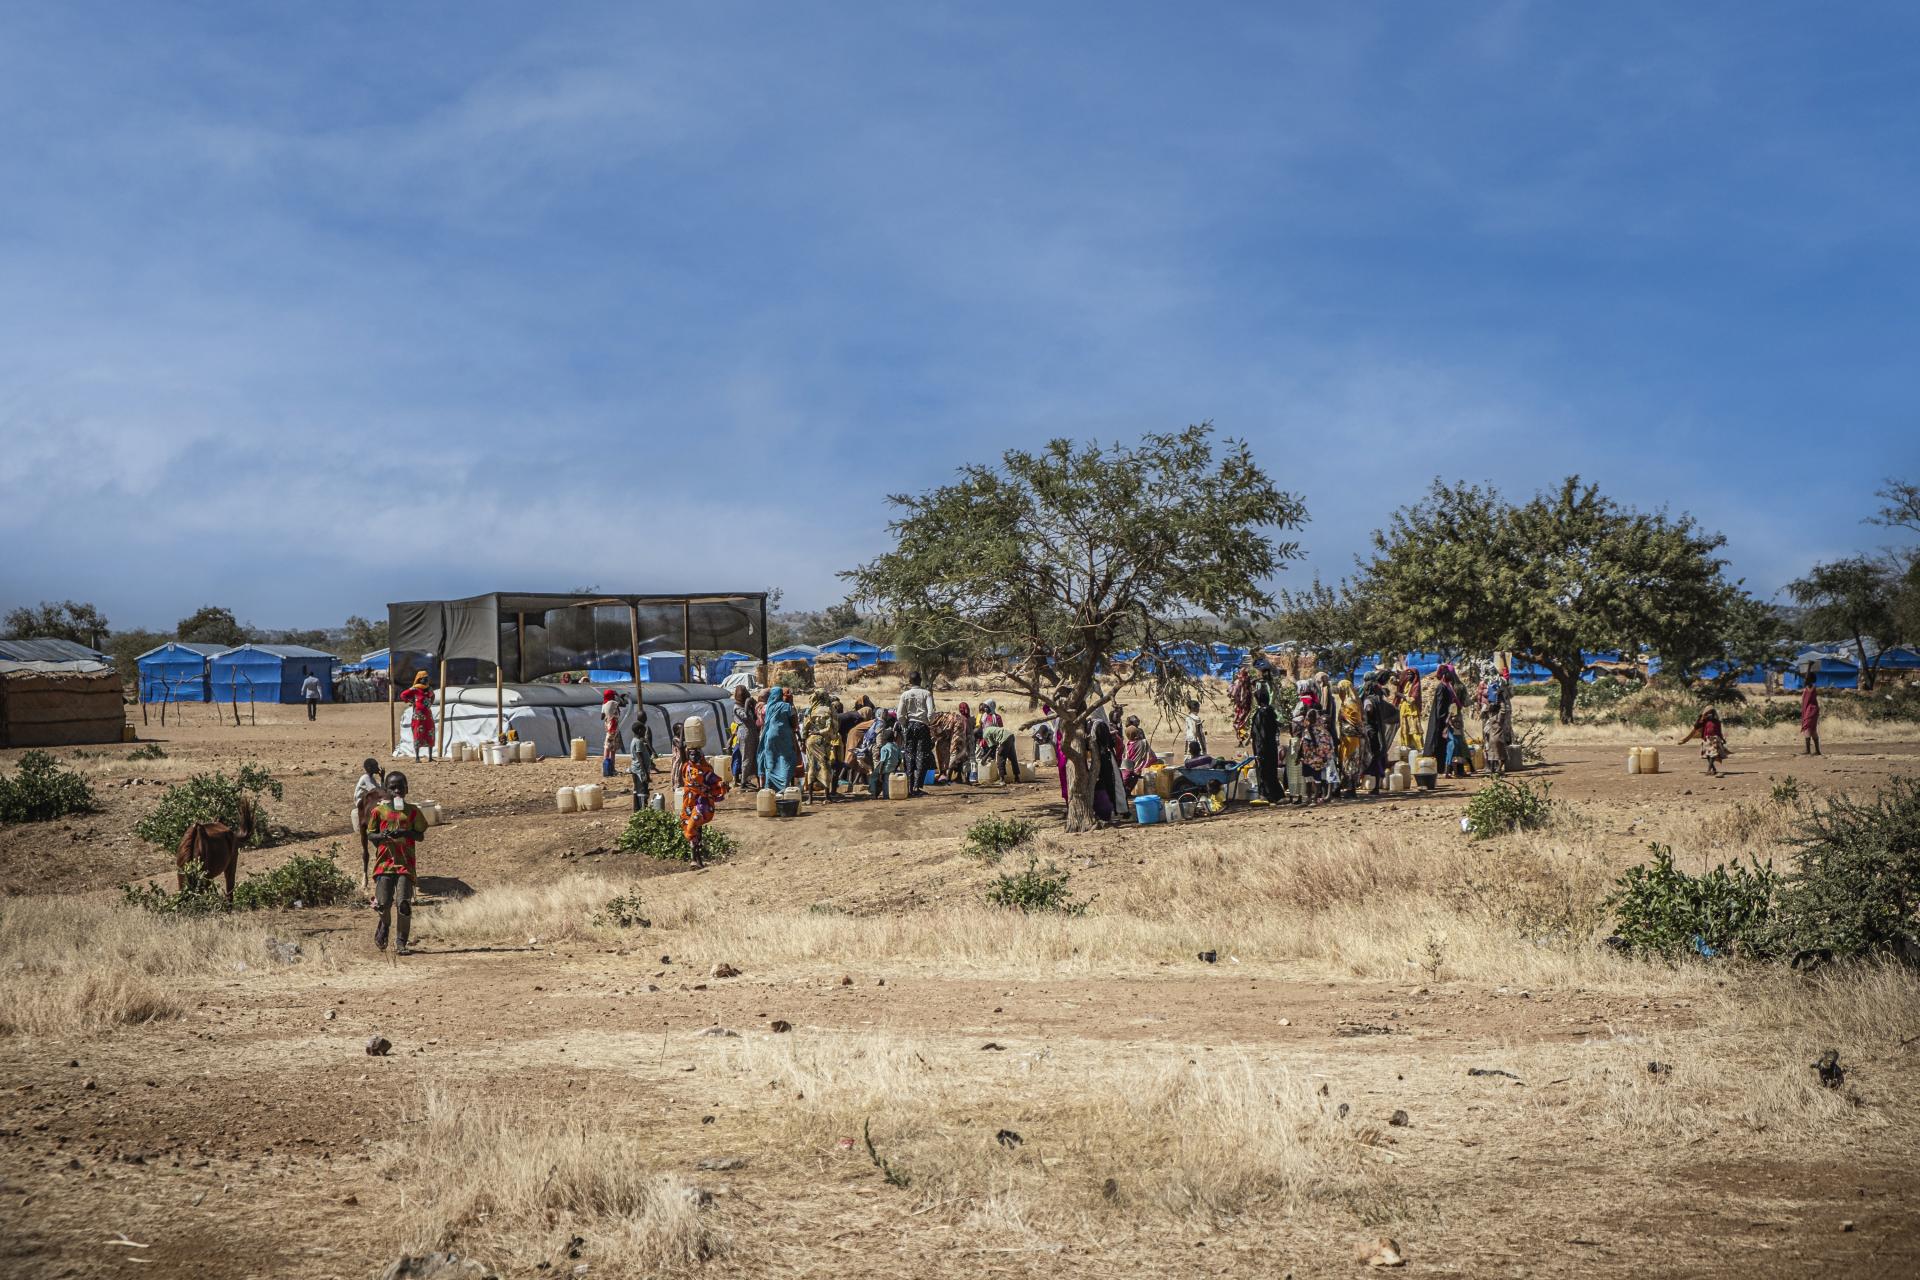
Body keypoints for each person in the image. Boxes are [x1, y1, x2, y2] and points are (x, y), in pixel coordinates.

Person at [363, 770, 427, 955]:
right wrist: (382, 836)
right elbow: (370, 835)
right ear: (386, 790)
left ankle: (401, 943)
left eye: (400, 787)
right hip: (384, 864)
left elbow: (420, 835)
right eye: (393, 788)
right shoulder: (378, 812)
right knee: (383, 903)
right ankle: (384, 923)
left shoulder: (413, 812)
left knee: (404, 904)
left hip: (405, 864)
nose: (397, 791)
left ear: (407, 789)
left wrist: (406, 833)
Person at [678, 747, 729, 865]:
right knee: (693, 828)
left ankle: (695, 860)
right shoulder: (686, 766)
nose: (694, 757)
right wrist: (681, 734)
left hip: (702, 802)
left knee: (695, 826)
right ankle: (696, 859)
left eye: (696, 755)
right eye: (691, 755)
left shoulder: (706, 769)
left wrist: (721, 784)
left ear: (701, 756)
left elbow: (715, 781)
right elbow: (681, 748)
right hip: (689, 802)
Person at [896, 671, 936, 796]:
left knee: (909, 755)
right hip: (922, 726)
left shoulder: (905, 695)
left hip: (909, 725)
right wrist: (928, 722)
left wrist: (904, 725)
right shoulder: (926, 693)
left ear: (910, 681)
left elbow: (900, 714)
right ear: (921, 680)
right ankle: (917, 787)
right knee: (922, 755)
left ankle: (908, 787)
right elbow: (931, 712)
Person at [756, 687, 800, 791]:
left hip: (769, 736)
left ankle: (769, 787)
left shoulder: (768, 707)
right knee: (787, 759)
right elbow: (794, 722)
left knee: (770, 760)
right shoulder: (787, 706)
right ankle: (783, 786)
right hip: (784, 736)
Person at [801, 691, 839, 802]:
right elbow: (831, 728)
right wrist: (821, 733)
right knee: (825, 766)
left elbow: (804, 728)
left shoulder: (811, 709)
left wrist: (804, 741)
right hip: (823, 741)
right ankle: (827, 797)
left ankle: (810, 798)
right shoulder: (829, 709)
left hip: (810, 741)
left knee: (812, 766)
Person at [1249, 686, 1283, 803]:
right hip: (1271, 747)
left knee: (1265, 772)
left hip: (1263, 748)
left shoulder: (1261, 714)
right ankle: (1273, 794)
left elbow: (1261, 734)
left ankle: (1270, 796)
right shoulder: (1271, 712)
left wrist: (1259, 751)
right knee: (1271, 771)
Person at [1679, 706, 1730, 776]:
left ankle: (1709, 770)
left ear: (1714, 714)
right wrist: (1702, 717)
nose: (1710, 715)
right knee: (1708, 756)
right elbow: (1696, 726)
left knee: (1712, 755)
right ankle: (1713, 769)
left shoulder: (1717, 722)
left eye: (1711, 713)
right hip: (1707, 740)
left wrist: (1722, 739)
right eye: (1708, 713)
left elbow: (1719, 732)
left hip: (1715, 739)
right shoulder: (1704, 721)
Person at [1481, 668, 1513, 776]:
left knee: (1492, 754)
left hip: (1492, 740)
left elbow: (1486, 708)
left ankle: (1492, 769)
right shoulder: (1499, 718)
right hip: (1498, 739)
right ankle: (1498, 769)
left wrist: (1492, 699)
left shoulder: (1491, 717)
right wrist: (1500, 697)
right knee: (1501, 755)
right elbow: (1503, 709)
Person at [399, 672, 435, 762]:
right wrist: (412, 701)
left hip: (428, 716)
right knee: (418, 734)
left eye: (427, 678)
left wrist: (430, 703)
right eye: (424, 678)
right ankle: (417, 757)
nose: (426, 680)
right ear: (420, 679)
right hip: (418, 717)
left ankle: (430, 757)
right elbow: (403, 695)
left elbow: (433, 695)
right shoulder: (415, 689)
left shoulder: (429, 689)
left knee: (430, 733)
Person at [731, 686, 761, 789]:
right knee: (747, 757)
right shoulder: (737, 707)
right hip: (745, 732)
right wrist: (748, 704)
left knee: (754, 756)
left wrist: (753, 704)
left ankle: (749, 779)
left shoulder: (742, 705)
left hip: (752, 732)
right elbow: (746, 717)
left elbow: (756, 714)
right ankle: (743, 782)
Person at [1120, 716, 1158, 794]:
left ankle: (1126, 792)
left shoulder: (1127, 745)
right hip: (1139, 767)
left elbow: (1126, 758)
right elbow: (1150, 755)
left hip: (1129, 767)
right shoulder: (1143, 742)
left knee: (1129, 778)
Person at [870, 727, 903, 797]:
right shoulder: (896, 746)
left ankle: (881, 794)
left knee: (874, 777)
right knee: (887, 780)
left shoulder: (884, 748)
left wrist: (880, 773)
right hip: (893, 767)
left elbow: (882, 762)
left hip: (886, 768)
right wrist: (896, 767)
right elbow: (900, 759)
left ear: (884, 739)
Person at [600, 690, 623, 778]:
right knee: (610, 749)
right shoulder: (613, 702)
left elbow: (602, 717)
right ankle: (609, 768)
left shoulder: (604, 704)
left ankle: (608, 768)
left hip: (609, 728)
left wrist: (608, 714)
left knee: (609, 747)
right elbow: (623, 703)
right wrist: (618, 695)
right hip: (613, 728)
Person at [1800, 680, 1822, 756]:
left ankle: (1808, 750)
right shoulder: (1809, 688)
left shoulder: (1810, 688)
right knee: (1812, 730)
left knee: (1807, 728)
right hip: (1811, 710)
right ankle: (1817, 750)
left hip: (1810, 710)